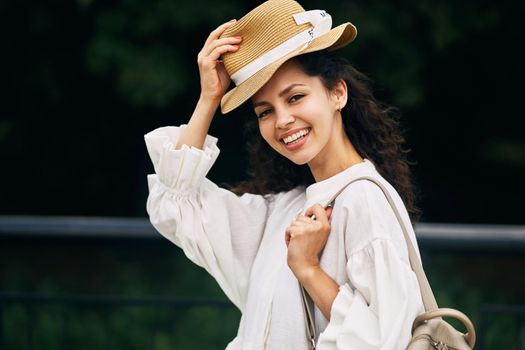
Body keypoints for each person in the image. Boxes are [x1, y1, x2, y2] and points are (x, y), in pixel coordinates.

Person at [144, 0, 425, 348]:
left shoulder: (364, 201)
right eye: (265, 112)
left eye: (294, 98)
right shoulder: (283, 209)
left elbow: (385, 340)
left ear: (337, 93)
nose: (282, 121)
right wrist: (209, 98)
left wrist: (307, 268)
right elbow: (176, 205)